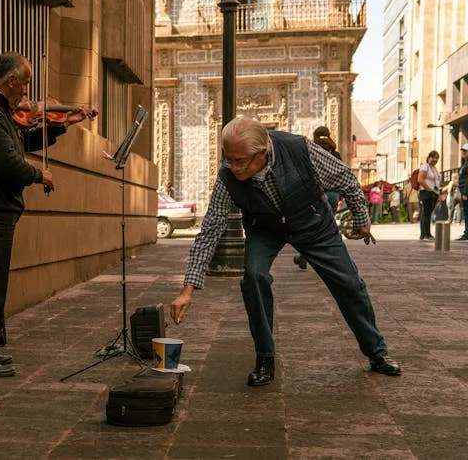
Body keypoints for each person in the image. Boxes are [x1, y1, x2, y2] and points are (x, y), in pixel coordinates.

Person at [170, 116, 400, 387]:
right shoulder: (227, 174)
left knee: (349, 284)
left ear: (263, 154)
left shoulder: (301, 150)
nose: (232, 167)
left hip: (313, 223)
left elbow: (347, 179)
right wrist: (188, 289)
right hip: (264, 227)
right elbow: (211, 228)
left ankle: (376, 352)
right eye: (228, 159)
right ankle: (265, 357)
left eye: (240, 161)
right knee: (253, 277)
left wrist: (362, 220)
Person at [0, 52, 93, 377]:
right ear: (11, 80)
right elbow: (8, 162)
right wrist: (39, 176)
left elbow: (21, 143)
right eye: (26, 85)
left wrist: (63, 125)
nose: (27, 96)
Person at [292, 126, 341, 270]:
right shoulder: (335, 153)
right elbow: (342, 175)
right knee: (327, 227)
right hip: (332, 195)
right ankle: (324, 258)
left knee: (312, 225)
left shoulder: (309, 151)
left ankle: (306, 255)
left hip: (313, 195)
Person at [417, 151, 441, 240]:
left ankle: (423, 234)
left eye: (437, 158)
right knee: (426, 214)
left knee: (427, 214)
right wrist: (429, 189)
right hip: (426, 192)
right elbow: (420, 180)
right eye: (433, 157)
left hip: (433, 193)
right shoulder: (425, 166)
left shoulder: (434, 168)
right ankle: (427, 234)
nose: (435, 159)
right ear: (429, 157)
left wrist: (437, 193)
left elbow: (436, 182)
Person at [457, 144, 468, 241]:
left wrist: (465, 193)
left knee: (467, 212)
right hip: (463, 191)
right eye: (463, 151)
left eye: (465, 151)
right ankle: (466, 232)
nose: (463, 152)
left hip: (466, 193)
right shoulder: (465, 163)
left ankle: (467, 233)